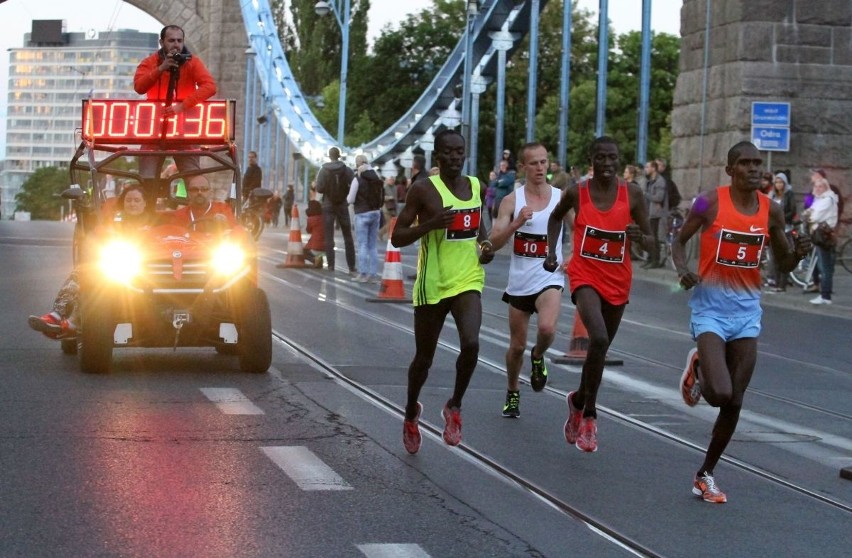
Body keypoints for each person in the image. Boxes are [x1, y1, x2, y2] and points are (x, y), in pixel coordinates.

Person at [673, 141, 811, 503]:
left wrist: (799, 251)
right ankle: (699, 364)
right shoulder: (708, 202)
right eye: (746, 163)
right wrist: (682, 268)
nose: (754, 169)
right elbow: (678, 239)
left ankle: (705, 474)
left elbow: (783, 263)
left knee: (734, 400)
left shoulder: (773, 210)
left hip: (747, 315)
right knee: (719, 393)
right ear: (730, 169)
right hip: (710, 313)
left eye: (758, 164)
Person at [543, 136, 655, 453]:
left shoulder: (632, 194)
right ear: (592, 160)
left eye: (613, 158)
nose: (607, 164)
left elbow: (651, 242)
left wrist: (640, 236)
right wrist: (551, 252)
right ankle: (590, 415)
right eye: (601, 158)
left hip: (618, 280)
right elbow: (554, 218)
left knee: (600, 351)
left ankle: (578, 400)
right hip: (585, 274)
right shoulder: (577, 191)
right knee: (600, 339)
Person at [391, 129, 492, 454]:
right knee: (424, 359)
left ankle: (455, 406)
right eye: (448, 152)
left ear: (465, 154)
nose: (454, 157)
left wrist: (487, 248)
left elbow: (481, 234)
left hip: (467, 281)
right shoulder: (423, 190)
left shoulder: (476, 186)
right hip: (432, 285)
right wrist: (430, 224)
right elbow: (398, 237)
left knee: (472, 344)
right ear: (438, 155)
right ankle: (410, 412)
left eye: (459, 151)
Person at [481, 143, 569, 418]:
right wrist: (516, 224)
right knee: (517, 346)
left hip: (549, 276)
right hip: (520, 282)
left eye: (544, 162)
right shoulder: (511, 201)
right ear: (523, 167)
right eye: (534, 163)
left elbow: (582, 229)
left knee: (546, 329)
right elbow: (490, 244)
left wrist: (573, 257)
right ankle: (512, 392)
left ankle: (539, 355)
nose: (540, 168)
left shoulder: (560, 198)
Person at [28, 183, 153, 339]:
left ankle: (73, 322)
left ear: (145, 203)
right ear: (123, 202)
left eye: (136, 200)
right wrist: (85, 205)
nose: (132, 204)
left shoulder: (156, 222)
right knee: (86, 272)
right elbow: (96, 233)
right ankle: (58, 315)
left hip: (151, 274)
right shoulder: (113, 222)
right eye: (129, 200)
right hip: (122, 268)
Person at [133, 25, 217, 178]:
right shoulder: (150, 62)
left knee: (193, 177)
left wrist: (182, 106)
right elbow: (139, 87)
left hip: (184, 130)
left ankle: (192, 199)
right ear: (161, 42)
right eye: (171, 40)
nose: (176, 44)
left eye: (179, 40)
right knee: (147, 178)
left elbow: (210, 87)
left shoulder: (192, 62)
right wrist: (160, 69)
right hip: (154, 130)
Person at [314, 147, 357, 275]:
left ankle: (331, 265)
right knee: (347, 236)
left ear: (329, 156)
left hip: (328, 204)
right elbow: (354, 184)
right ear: (339, 155)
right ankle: (351, 266)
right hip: (343, 204)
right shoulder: (346, 169)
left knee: (329, 236)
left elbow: (320, 189)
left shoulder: (323, 170)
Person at [803, 175, 839, 305]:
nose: (817, 189)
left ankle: (825, 296)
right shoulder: (822, 199)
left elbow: (814, 216)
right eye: (816, 186)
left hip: (824, 236)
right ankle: (825, 295)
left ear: (826, 187)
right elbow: (809, 212)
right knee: (824, 267)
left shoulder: (827, 200)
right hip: (822, 236)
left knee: (825, 268)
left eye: (820, 186)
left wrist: (809, 215)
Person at [348, 163, 384, 283]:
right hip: (376, 213)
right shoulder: (377, 179)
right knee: (372, 245)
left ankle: (362, 274)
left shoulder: (357, 180)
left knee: (362, 244)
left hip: (362, 213)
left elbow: (350, 199)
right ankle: (373, 275)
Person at [166, 175, 238, 230]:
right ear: (188, 194)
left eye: (204, 189)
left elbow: (236, 230)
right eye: (194, 189)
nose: (199, 192)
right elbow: (174, 236)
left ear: (210, 192)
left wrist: (225, 222)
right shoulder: (179, 215)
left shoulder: (223, 209)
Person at [766, 172, 797, 292]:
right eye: (777, 182)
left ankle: (782, 284)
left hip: (785, 229)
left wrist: (782, 218)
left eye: (781, 182)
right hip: (773, 229)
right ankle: (774, 281)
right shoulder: (772, 195)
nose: (779, 185)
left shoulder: (789, 194)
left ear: (785, 183)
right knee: (773, 257)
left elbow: (792, 210)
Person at [642, 159, 668, 269]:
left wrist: (645, 194)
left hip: (656, 214)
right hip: (649, 212)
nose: (646, 169)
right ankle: (649, 258)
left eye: (648, 167)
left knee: (654, 237)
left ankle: (655, 260)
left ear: (653, 168)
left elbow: (659, 197)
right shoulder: (650, 181)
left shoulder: (660, 181)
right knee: (649, 237)